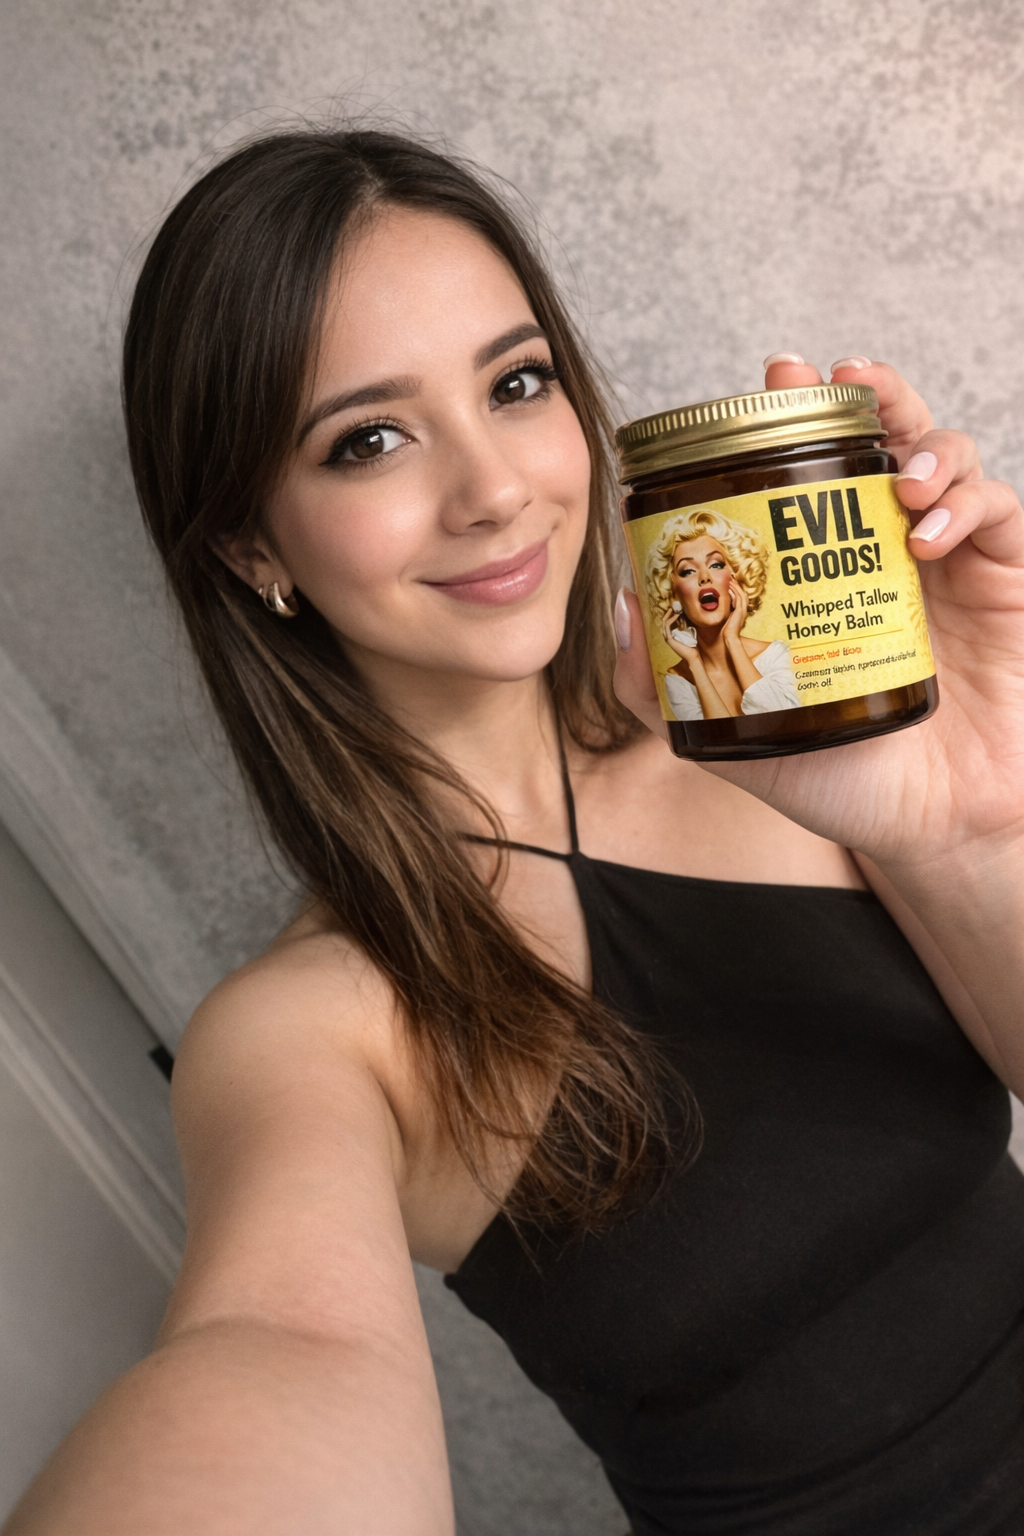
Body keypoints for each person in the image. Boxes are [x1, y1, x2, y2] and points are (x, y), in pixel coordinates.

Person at [6, 128, 1024, 1536]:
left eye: (515, 383)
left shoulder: (783, 718)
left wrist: (967, 831)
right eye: (368, 440)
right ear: (251, 546)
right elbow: (274, 1345)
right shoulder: (313, 1031)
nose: (493, 490)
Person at [646, 507, 801, 719]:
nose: (704, 577)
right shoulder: (679, 680)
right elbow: (714, 736)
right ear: (675, 595)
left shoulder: (774, 655)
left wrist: (732, 640)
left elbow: (785, 722)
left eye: (716, 565)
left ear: (737, 578)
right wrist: (695, 662)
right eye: (688, 571)